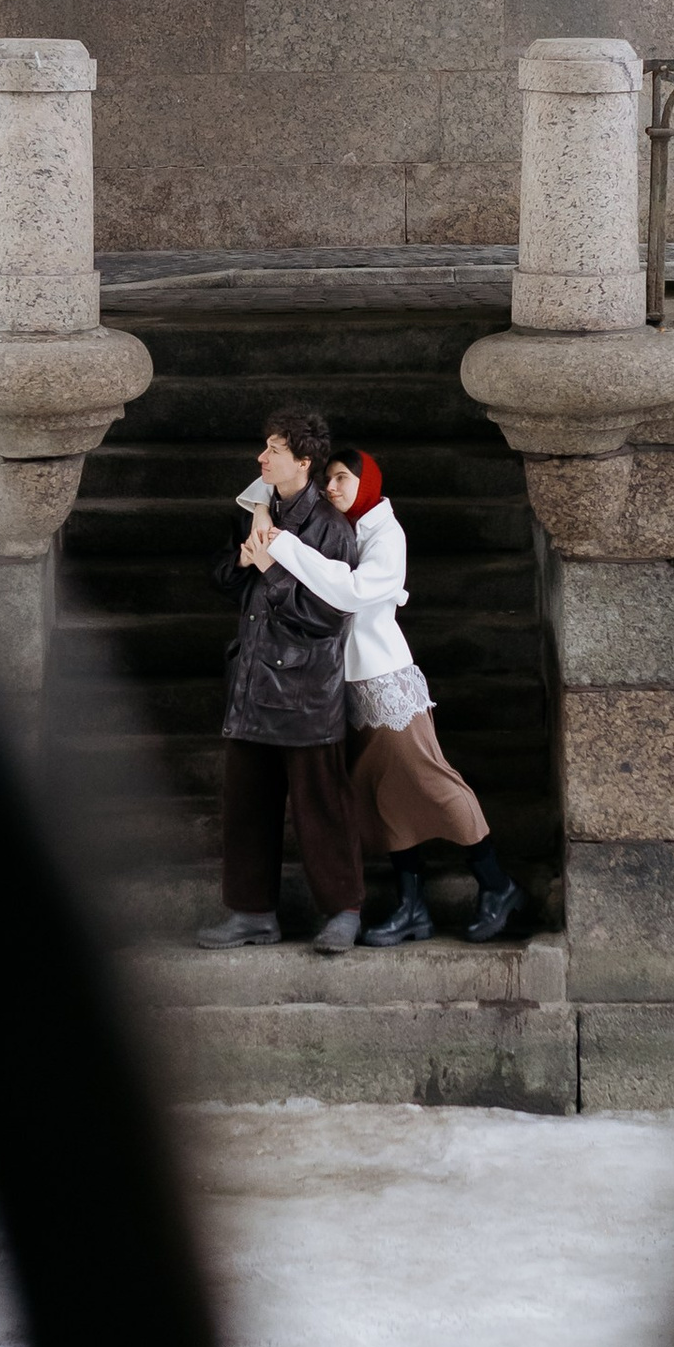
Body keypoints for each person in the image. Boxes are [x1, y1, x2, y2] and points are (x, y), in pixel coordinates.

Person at [249, 446, 526, 945]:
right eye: (328, 479)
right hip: (342, 685)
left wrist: (283, 546)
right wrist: (265, 511)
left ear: (367, 482)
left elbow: (354, 592)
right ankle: (411, 907)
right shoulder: (341, 528)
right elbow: (259, 489)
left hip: (384, 680)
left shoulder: (385, 532)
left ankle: (497, 884)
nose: (332, 488)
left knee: (433, 783)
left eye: (342, 478)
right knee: (382, 797)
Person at [197, 406, 366, 955]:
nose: (261, 457)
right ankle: (251, 915)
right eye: (264, 447)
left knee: (322, 806)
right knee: (247, 804)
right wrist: (247, 563)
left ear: (305, 460)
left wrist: (271, 572)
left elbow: (327, 617)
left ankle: (343, 911)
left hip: (306, 689)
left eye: (274, 449)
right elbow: (222, 575)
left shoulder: (331, 529)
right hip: (252, 682)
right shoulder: (256, 511)